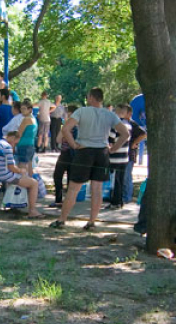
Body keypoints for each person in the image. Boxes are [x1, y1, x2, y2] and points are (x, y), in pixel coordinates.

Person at [53, 88, 130, 230]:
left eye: (88, 96)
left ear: (91, 97)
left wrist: (73, 145)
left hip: (84, 151)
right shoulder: (110, 114)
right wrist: (113, 149)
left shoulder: (82, 111)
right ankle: (91, 222)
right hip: (102, 153)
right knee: (97, 189)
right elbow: (125, 134)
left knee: (74, 188)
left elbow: (65, 129)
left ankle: (62, 220)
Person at [0, 131, 44, 218]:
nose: (15, 145)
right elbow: (11, 167)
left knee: (23, 178)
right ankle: (32, 211)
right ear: (13, 138)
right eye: (15, 143)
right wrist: (20, 170)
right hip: (4, 175)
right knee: (34, 183)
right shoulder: (7, 147)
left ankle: (14, 205)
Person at [106, 104, 133, 210]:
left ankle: (114, 202)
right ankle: (120, 201)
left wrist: (110, 150)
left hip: (115, 157)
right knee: (120, 180)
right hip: (124, 157)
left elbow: (110, 140)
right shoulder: (128, 125)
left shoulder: (115, 125)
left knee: (114, 181)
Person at [15, 99, 38, 177]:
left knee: (22, 168)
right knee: (30, 168)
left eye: (24, 108)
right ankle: (32, 183)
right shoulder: (34, 119)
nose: (22, 111)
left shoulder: (26, 119)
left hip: (23, 145)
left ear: (30, 109)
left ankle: (23, 184)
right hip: (31, 145)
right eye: (21, 108)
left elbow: (19, 134)